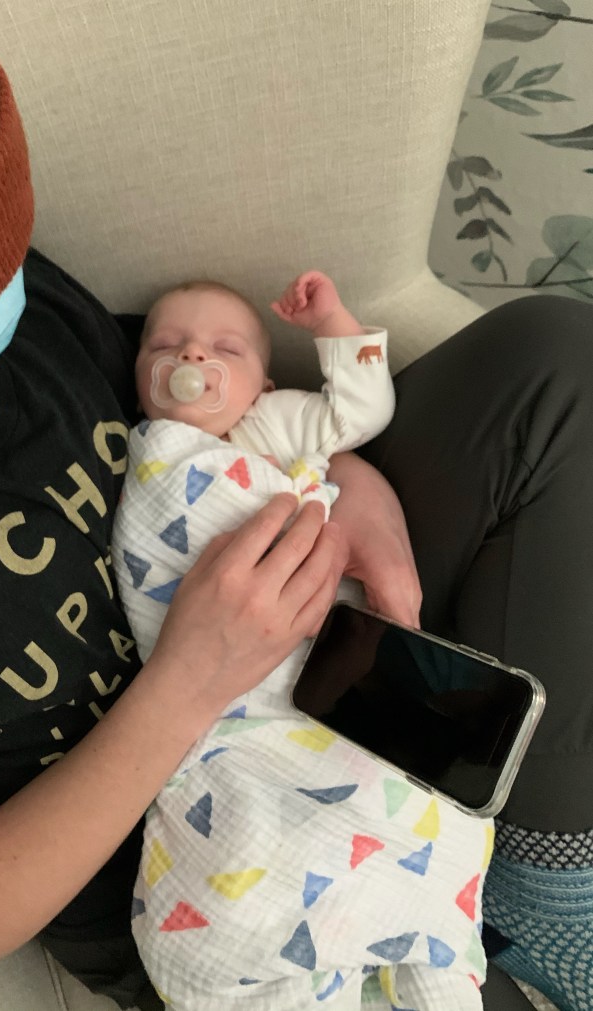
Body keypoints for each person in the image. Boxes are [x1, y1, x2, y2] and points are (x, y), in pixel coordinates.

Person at [0, 4, 591, 1011]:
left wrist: (354, 493)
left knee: (551, 364)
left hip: (344, 666)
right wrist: (188, 680)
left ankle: (548, 895)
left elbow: (203, 411)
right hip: (221, 877)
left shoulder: (19, 307)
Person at [112, 275, 491, 1009]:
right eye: (165, 345)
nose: (191, 356)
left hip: (312, 669)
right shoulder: (134, 454)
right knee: (246, 841)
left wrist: (333, 324)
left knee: (416, 806)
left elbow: (360, 412)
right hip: (223, 709)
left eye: (224, 348)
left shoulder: (265, 430)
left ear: (261, 384)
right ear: (137, 381)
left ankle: (430, 964)